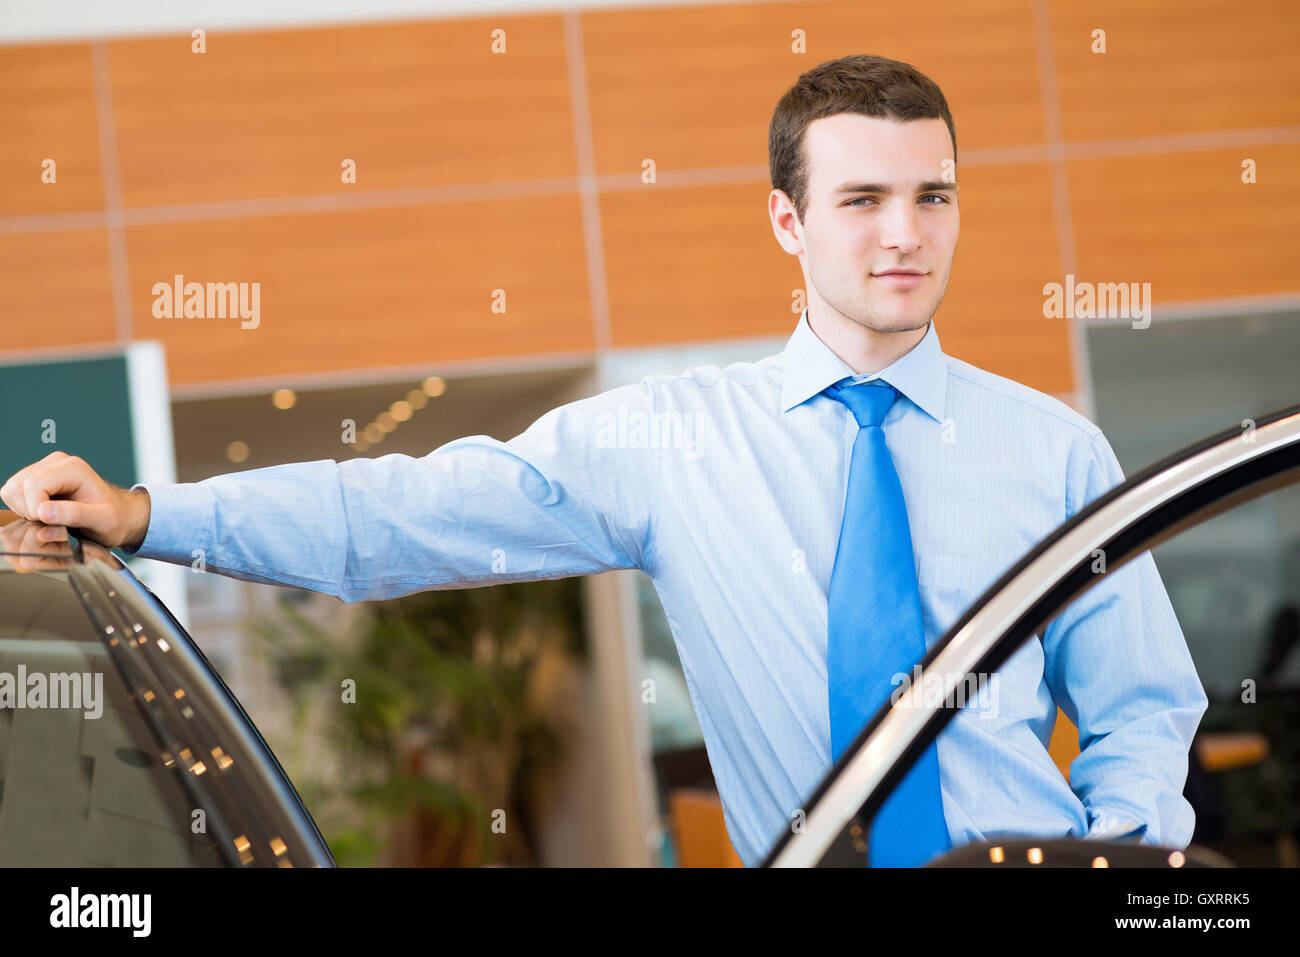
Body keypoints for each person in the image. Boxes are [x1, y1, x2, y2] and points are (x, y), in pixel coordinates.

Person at [0, 53, 1207, 867]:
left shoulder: (1052, 447)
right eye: (861, 199)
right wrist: (153, 512)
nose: (904, 234)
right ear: (787, 220)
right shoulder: (667, 442)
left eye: (932, 195)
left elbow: (1144, 703)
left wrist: (1121, 860)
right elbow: (401, 517)